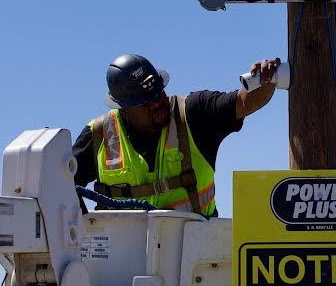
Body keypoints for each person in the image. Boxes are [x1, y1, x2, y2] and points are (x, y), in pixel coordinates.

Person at [70, 54, 281, 217]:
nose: (157, 103)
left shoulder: (193, 114)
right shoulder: (99, 135)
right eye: (145, 102)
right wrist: (82, 235)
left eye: (159, 93)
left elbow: (244, 102)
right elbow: (59, 186)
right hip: (122, 259)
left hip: (194, 256)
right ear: (123, 109)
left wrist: (266, 79)